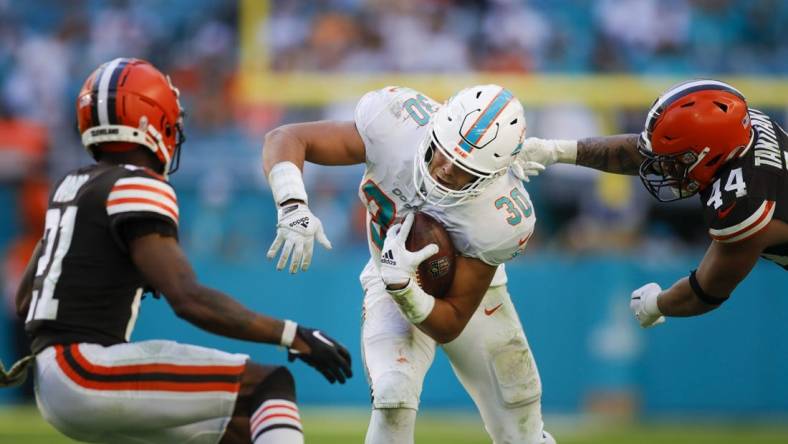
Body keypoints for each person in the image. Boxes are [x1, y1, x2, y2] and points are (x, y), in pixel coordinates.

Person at [1, 58, 352, 444]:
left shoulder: (72, 184)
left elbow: (24, 300)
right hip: (87, 369)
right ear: (152, 122)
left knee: (236, 431)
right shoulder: (139, 184)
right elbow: (188, 300)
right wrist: (294, 335)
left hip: (53, 380)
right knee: (270, 384)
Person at [263, 85, 556, 444]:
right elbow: (287, 137)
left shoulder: (501, 218)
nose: (446, 169)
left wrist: (407, 288)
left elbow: (451, 322)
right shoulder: (397, 121)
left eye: (465, 169)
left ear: (494, 174)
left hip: (466, 297)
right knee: (393, 396)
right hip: (385, 276)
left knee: (522, 426)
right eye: (443, 151)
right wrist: (292, 203)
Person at [513, 79, 788, 328]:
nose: (664, 169)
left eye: (675, 161)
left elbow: (704, 292)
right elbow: (646, 153)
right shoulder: (738, 131)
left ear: (709, 155)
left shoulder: (747, 201)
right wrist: (556, 151)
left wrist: (656, 303)